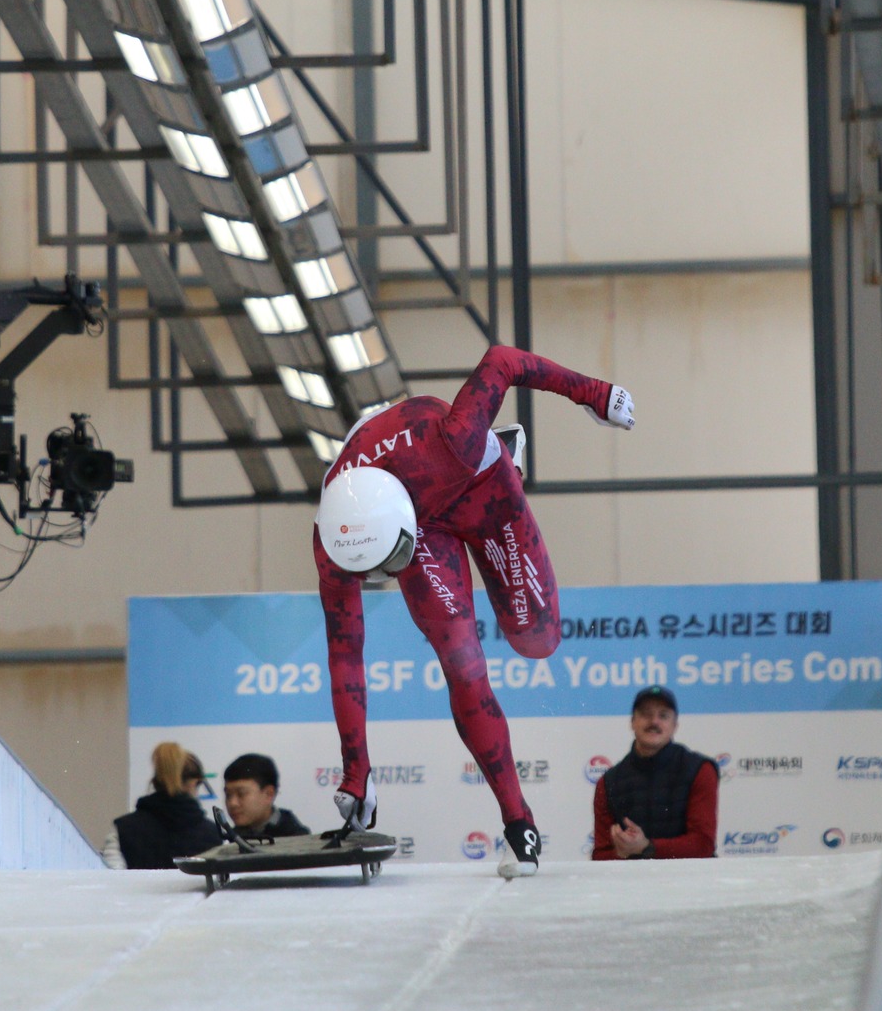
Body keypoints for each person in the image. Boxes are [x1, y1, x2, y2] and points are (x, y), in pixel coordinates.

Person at [313, 344, 635, 876]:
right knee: (463, 665)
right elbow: (344, 654)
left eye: (387, 560)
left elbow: (503, 360)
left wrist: (596, 395)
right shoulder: (334, 538)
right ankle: (519, 823)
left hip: (477, 485)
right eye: (376, 569)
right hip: (422, 532)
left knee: (536, 639)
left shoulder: (453, 437)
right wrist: (356, 771)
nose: (377, 577)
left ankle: (504, 451)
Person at [591, 686, 717, 860]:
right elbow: (600, 855)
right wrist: (621, 852)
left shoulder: (700, 770)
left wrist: (646, 847)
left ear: (675, 725)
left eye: (663, 715)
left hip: (691, 883)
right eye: (646, 714)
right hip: (632, 885)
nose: (654, 722)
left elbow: (703, 845)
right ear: (632, 722)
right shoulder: (608, 783)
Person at [104, 742, 223, 869]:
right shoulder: (213, 834)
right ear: (194, 783)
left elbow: (113, 879)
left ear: (156, 781)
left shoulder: (123, 828)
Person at [222, 754, 310, 838]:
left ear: (269, 794)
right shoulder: (231, 837)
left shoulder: (297, 839)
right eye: (228, 795)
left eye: (241, 794)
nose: (233, 803)